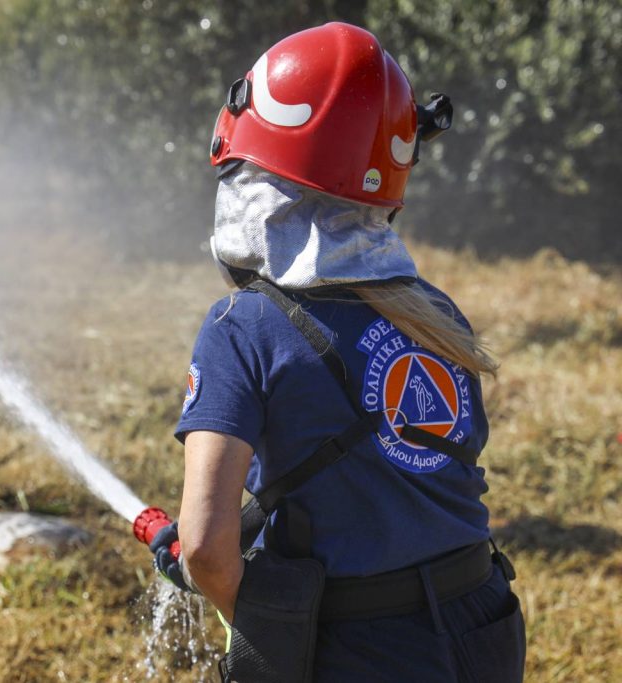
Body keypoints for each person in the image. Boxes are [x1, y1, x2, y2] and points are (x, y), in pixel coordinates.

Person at [147, 22, 526, 683]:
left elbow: (204, 548)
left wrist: (270, 623)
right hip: (484, 620)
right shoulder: (437, 313)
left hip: (360, 648)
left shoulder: (241, 326)